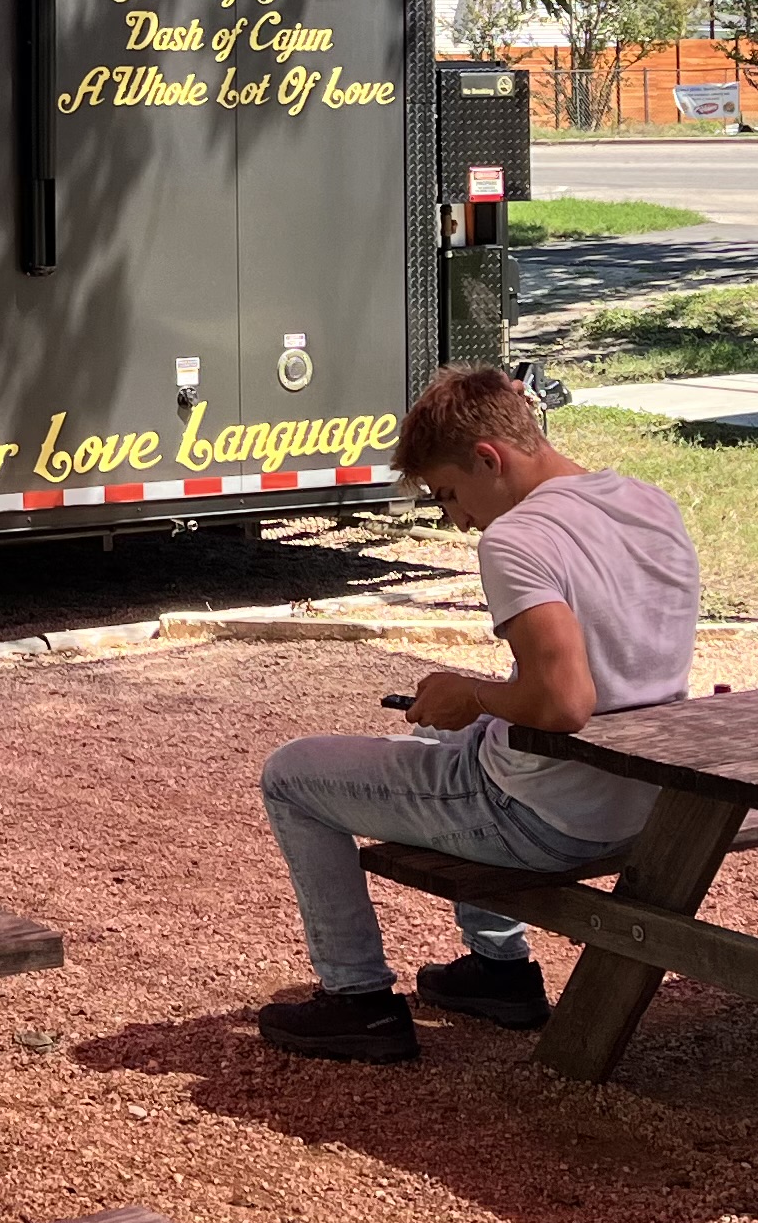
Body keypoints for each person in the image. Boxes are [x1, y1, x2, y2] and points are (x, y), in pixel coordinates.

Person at [256, 361, 702, 1063]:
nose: (456, 519)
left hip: (552, 818)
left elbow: (563, 700)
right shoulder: (649, 503)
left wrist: (473, 695)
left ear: (490, 459)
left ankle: (359, 1002)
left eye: (450, 493)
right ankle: (498, 974)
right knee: (462, 752)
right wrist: (486, 705)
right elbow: (606, 675)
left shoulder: (517, 539)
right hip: (651, 802)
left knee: (292, 776)